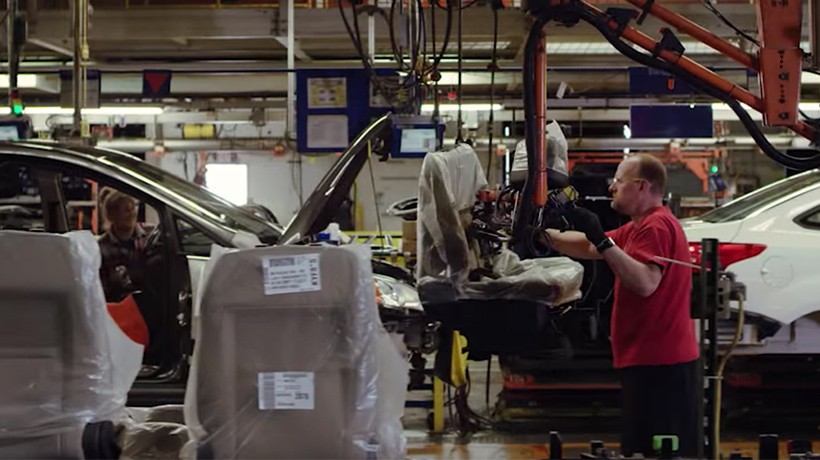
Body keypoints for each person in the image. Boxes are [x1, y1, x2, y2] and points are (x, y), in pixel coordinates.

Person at [540, 154, 699, 457]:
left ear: (641, 186)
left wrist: (599, 239)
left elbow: (645, 283)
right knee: (643, 448)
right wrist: (544, 236)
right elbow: (589, 246)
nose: (612, 187)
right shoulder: (638, 227)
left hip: (661, 365)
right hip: (650, 360)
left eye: (619, 181)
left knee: (658, 451)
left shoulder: (656, 226)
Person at [98, 188, 148, 302]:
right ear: (111, 216)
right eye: (125, 209)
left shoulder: (149, 238)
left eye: (133, 208)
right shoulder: (101, 248)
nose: (131, 213)